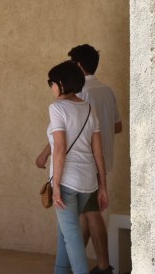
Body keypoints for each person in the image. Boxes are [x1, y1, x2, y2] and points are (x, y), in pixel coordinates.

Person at [37, 45, 121, 274]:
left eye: (51, 82)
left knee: (72, 237)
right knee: (65, 232)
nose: (51, 87)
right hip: (88, 182)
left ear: (62, 83)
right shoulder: (88, 108)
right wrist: (103, 186)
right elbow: (98, 152)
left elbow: (60, 148)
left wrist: (56, 186)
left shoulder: (57, 108)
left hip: (67, 182)